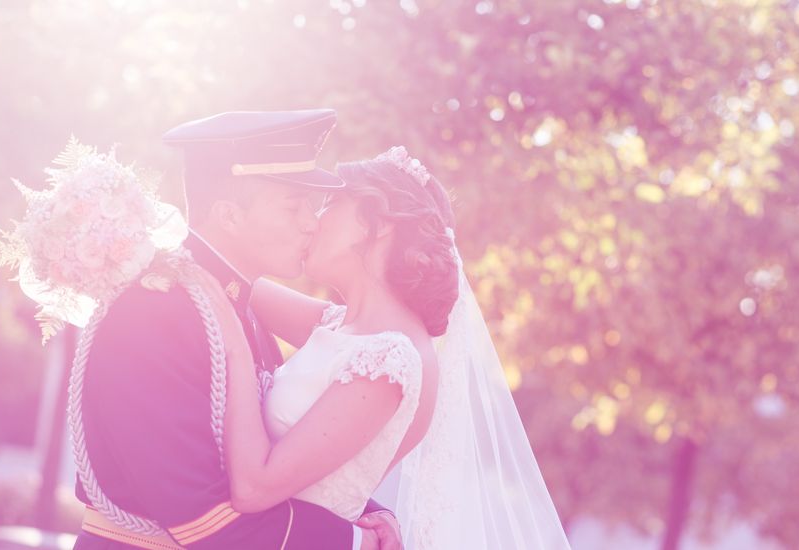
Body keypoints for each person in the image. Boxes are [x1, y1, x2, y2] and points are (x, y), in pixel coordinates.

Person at [204, 145, 572, 549]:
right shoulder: (342, 327)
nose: (310, 223)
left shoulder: (389, 362)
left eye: (329, 204)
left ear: (374, 225)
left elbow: (256, 488)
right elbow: (227, 275)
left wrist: (235, 352)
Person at [72, 110, 400, 550]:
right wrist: (351, 542)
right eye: (293, 205)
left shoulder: (234, 308)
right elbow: (201, 519)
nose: (311, 222)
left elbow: (257, 454)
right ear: (229, 215)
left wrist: (358, 506)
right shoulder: (153, 310)